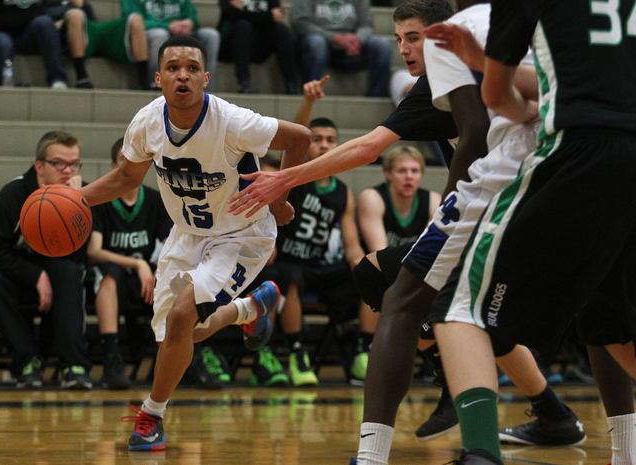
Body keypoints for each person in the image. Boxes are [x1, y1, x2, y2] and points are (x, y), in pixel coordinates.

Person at [228, 1, 586, 462]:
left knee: (408, 295)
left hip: (511, 207)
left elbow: (370, 147)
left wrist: (286, 177)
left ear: (444, 31)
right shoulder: (470, 72)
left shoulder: (460, 64)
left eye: (414, 37)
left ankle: (436, 411)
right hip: (537, 202)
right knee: (429, 299)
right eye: (398, 39)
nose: (404, 48)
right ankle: (548, 412)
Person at [422, 0, 636, 462]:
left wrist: (487, 71)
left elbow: (497, 99)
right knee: (615, 321)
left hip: (582, 151)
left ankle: (481, 453)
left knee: (460, 308)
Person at [79, 34, 311, 450]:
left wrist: (279, 198)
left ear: (205, 78)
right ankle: (247, 309)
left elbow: (299, 137)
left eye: (190, 68)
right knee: (181, 333)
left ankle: (151, 416)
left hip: (240, 233)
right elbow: (125, 179)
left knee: (184, 316)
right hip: (187, 234)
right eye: (172, 67)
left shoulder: (233, 121)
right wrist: (73, 198)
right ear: (158, 78)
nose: (181, 75)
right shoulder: (147, 123)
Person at [0, 131, 93, 389]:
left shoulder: (81, 194)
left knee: (71, 273)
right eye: (59, 163)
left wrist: (76, 206)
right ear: (39, 165)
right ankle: (26, 361)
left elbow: (79, 255)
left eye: (73, 164)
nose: (68, 171)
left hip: (57, 269)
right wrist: (35, 275)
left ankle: (74, 364)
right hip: (15, 273)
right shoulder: (13, 194)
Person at [86, 138, 173, 389]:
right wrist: (136, 265)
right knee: (109, 275)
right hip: (114, 274)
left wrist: (161, 267)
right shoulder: (100, 199)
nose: (130, 165)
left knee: (176, 276)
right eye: (124, 159)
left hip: (146, 280)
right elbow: (94, 251)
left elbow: (170, 243)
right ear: (114, 166)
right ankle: (112, 357)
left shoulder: (156, 199)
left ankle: (188, 357)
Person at [290, 0, 392, 97]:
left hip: (352, 47)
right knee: (316, 43)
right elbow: (300, 23)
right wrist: (334, 38)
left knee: (383, 45)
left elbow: (366, 24)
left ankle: (377, 96)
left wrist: (357, 40)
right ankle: (311, 92)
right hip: (318, 45)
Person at [120, 0, 220, 92]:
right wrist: (168, 26)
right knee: (160, 35)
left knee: (211, 35)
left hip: (180, 32)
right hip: (150, 32)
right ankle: (155, 84)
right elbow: (132, 21)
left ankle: (205, 89)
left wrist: (189, 23)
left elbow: (192, 18)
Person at [357, 144, 440, 253]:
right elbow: (380, 255)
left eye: (414, 171)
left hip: (415, 267)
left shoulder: (433, 200)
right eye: (402, 171)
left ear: (422, 174)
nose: (409, 176)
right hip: (378, 267)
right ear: (388, 174)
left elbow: (431, 251)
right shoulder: (372, 198)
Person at [217, 0, 298, 94]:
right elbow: (233, 15)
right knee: (243, 26)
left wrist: (245, 13)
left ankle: (291, 84)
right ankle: (243, 82)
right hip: (231, 46)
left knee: (281, 29)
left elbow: (277, 15)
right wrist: (267, 16)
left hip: (258, 45)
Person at [57, 11, 152, 90]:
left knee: (136, 19)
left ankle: (143, 81)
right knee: (75, 15)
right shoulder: (47, 4)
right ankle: (81, 78)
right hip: (76, 28)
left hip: (93, 26)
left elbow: (89, 12)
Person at [0, 0, 69, 88]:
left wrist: (59, 19)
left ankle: (58, 79)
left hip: (31, 33)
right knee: (3, 43)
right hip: (3, 32)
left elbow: (50, 8)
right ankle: (0, 84)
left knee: (45, 22)